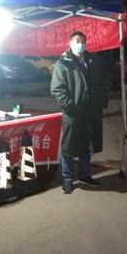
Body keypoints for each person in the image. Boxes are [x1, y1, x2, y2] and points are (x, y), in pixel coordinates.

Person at [50, 31, 108, 194]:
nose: (80, 44)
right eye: (77, 41)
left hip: (91, 111)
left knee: (87, 144)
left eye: (83, 41)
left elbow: (100, 84)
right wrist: (71, 107)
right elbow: (58, 90)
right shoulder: (63, 63)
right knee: (69, 146)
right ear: (70, 43)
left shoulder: (92, 61)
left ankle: (85, 174)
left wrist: (101, 102)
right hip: (73, 113)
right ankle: (67, 178)